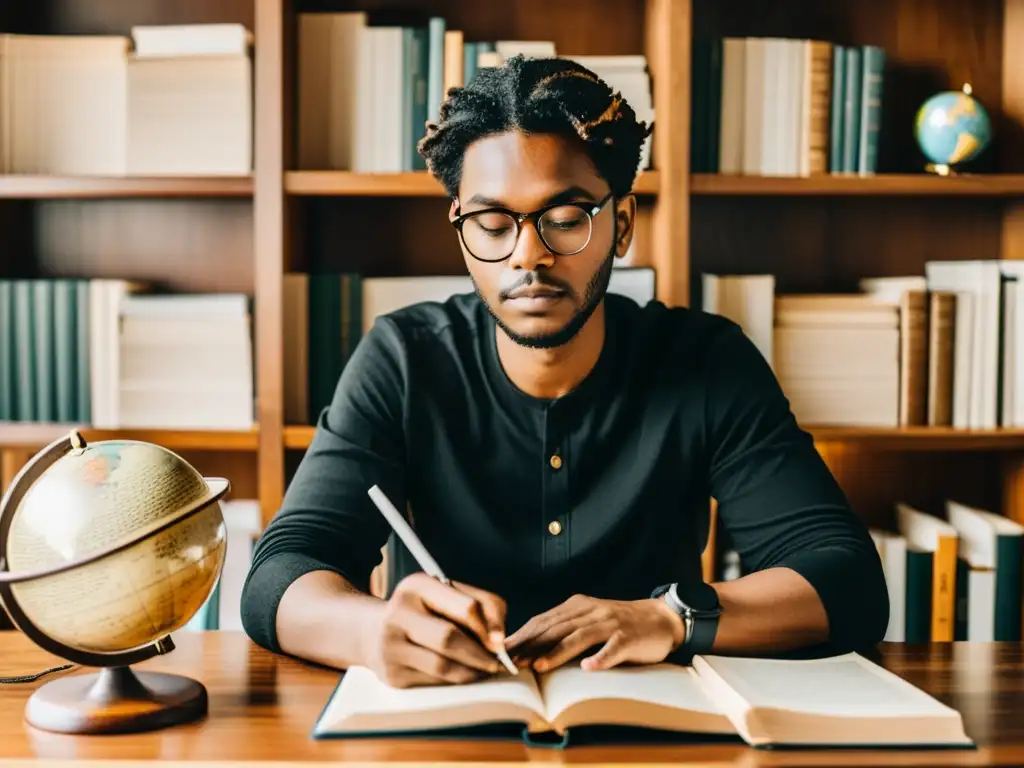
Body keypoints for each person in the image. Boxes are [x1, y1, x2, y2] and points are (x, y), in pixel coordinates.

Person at [240, 55, 889, 689]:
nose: (529, 256)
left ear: (623, 224)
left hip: (656, 730)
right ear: (461, 229)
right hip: (450, 730)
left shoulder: (705, 362)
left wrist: (667, 617)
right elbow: (280, 574)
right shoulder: (405, 359)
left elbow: (846, 579)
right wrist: (371, 630)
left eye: (566, 219)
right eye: (493, 223)